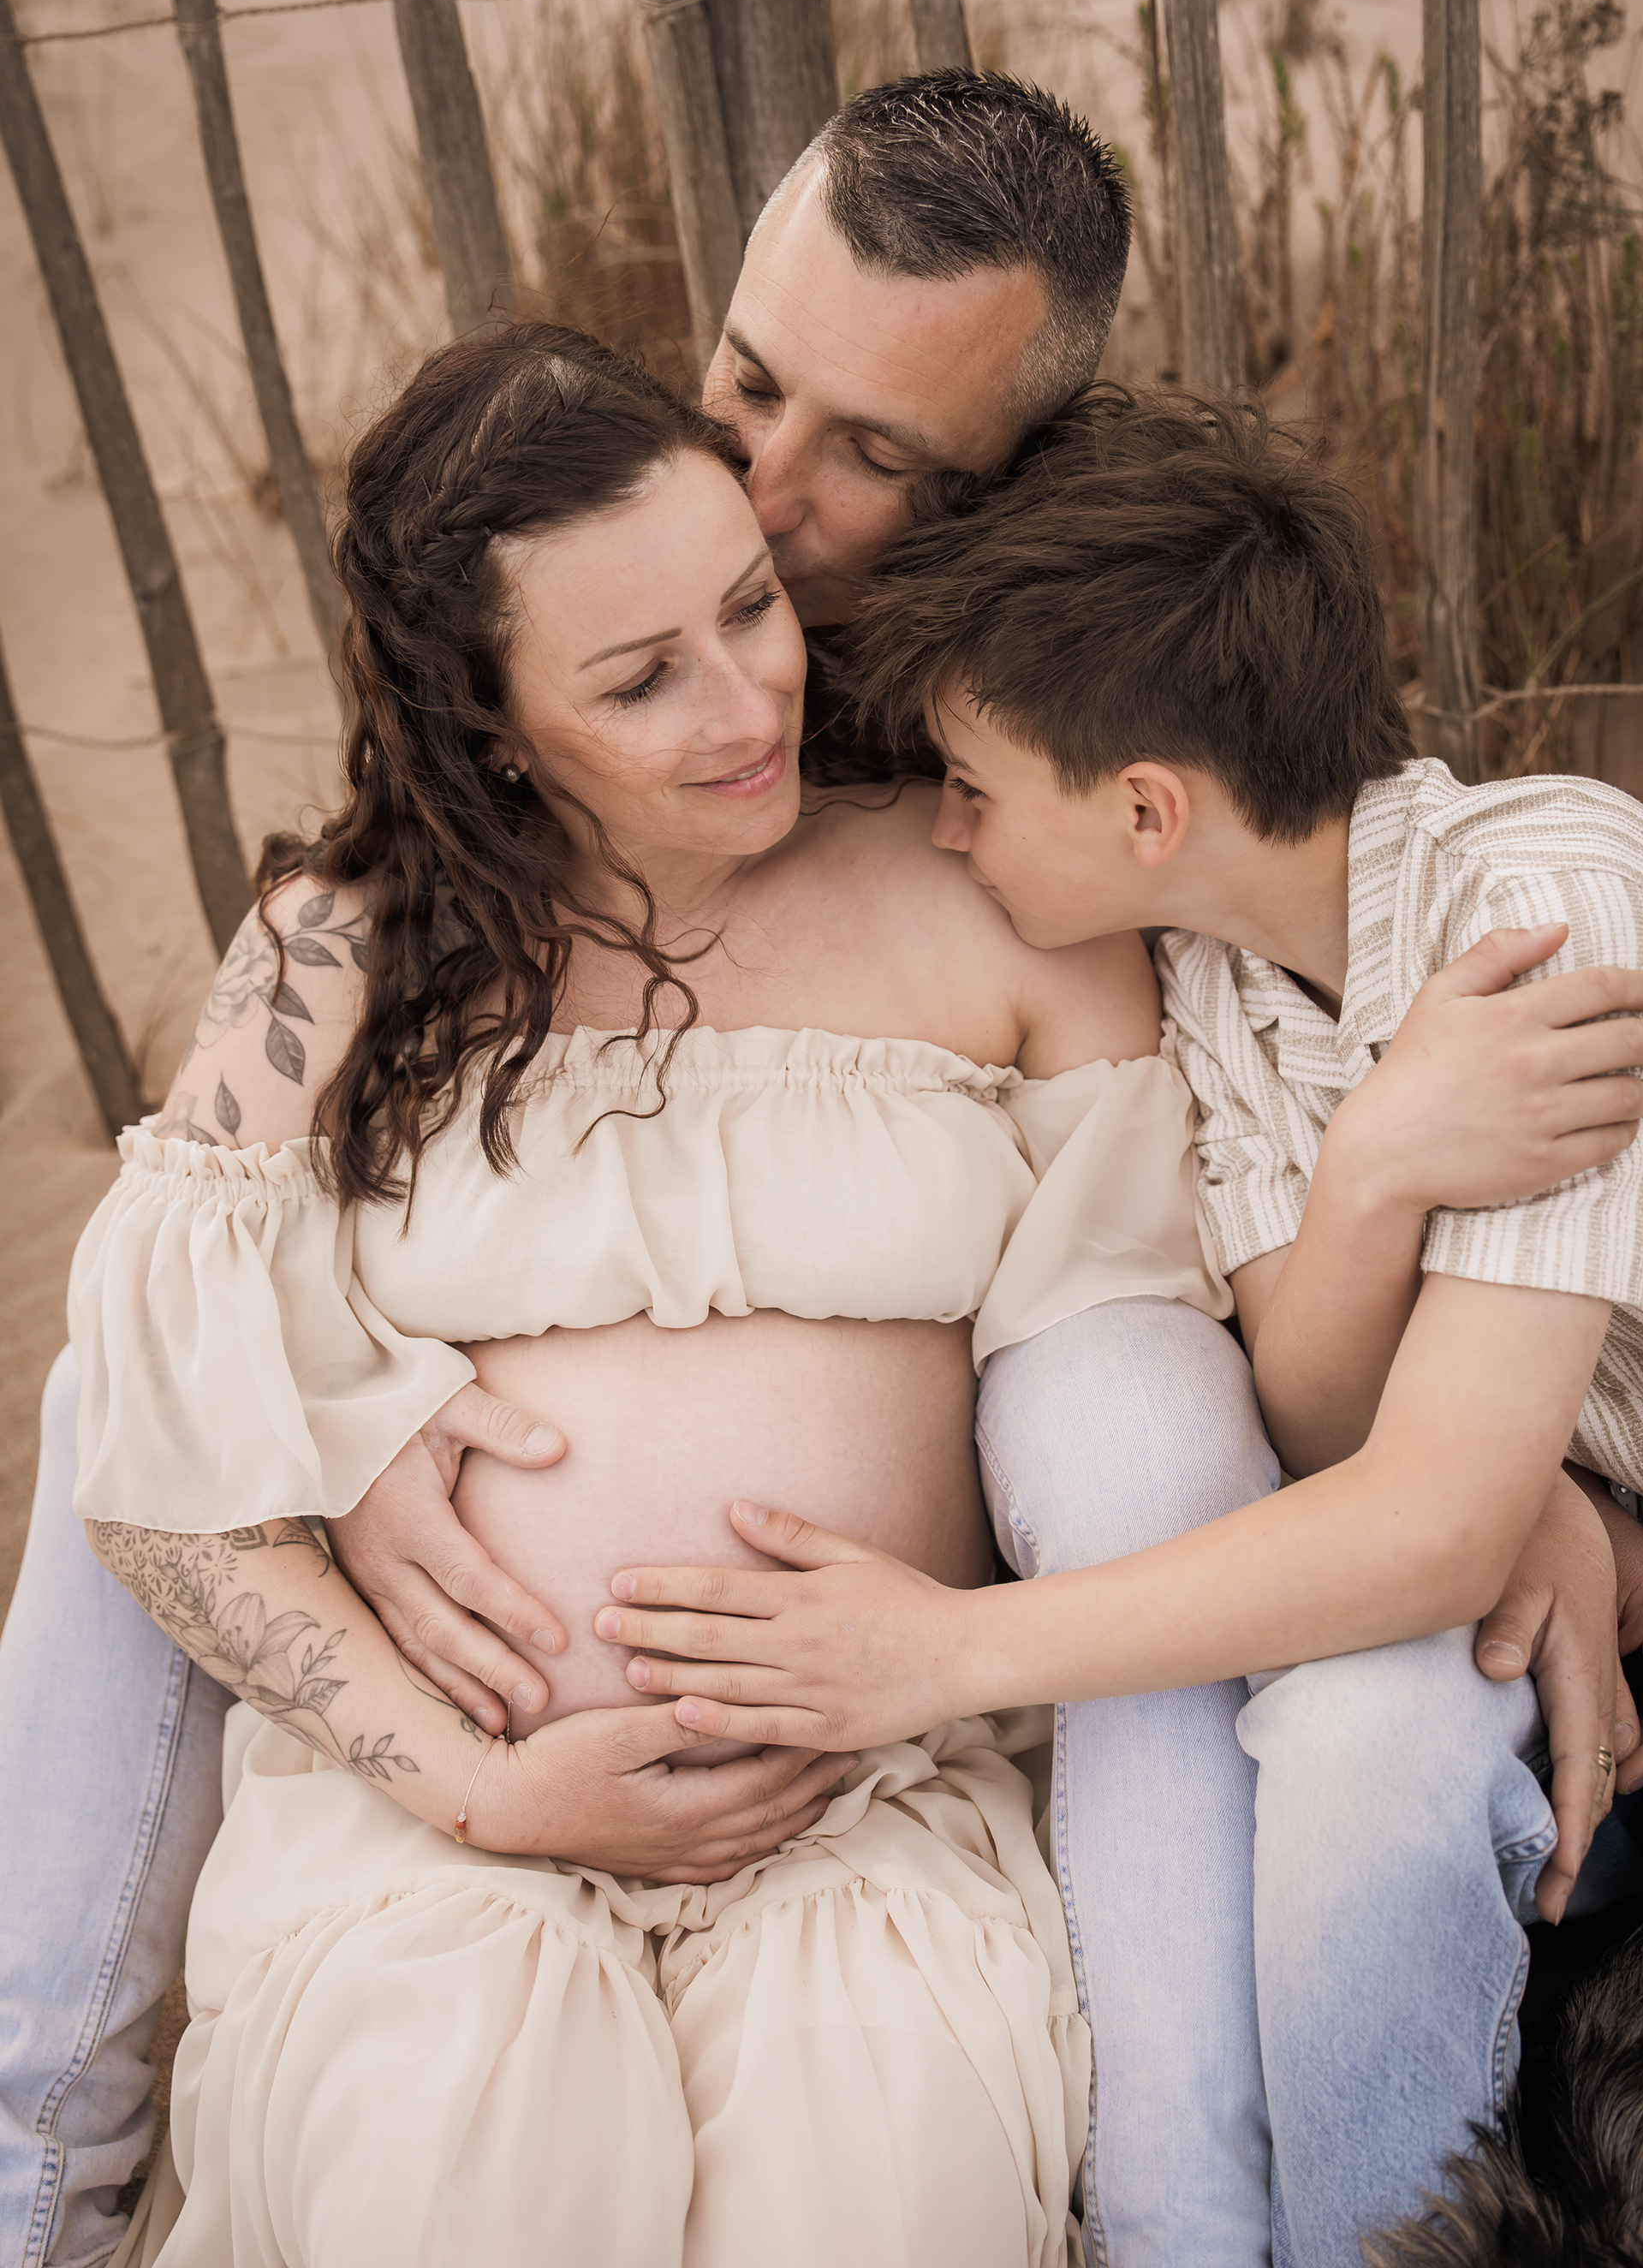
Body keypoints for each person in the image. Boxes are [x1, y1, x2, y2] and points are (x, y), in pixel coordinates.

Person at [0, 74, 1631, 2268]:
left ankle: (1201, 2216)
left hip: (881, 1773)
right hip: (457, 1800)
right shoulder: (423, 855)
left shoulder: (1058, 805)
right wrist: (337, 1414)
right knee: (138, 1405)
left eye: (860, 470)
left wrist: (1544, 1471)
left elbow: (1228, 1305)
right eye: (753, 387)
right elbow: (175, 1375)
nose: (766, 500)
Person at [68, 320, 1200, 2264]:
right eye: (637, 677)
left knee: (883, 2184)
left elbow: (1169, 1352)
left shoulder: (992, 896)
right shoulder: (327, 962)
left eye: (751, 607)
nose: (747, 697)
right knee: (466, 2173)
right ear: (487, 715)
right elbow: (164, 1493)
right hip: (433, 1814)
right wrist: (495, 1793)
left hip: (861, 1804)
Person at [580, 386, 1643, 2267]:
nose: (950, 835)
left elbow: (1427, 1524)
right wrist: (1377, 1167)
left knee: (1366, 1732)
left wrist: (938, 1653)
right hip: (1536, 1512)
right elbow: (1323, 1436)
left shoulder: (1538, 905)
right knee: (1350, 1735)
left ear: (1146, 809)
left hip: (1554, 1532)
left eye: (975, 788)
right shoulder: (1222, 992)